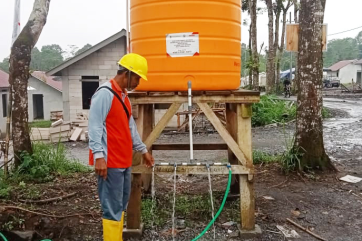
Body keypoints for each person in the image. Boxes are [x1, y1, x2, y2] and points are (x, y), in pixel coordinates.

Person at [88, 53, 155, 241]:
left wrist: (143, 150)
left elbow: (130, 128)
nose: (139, 83)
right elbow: (94, 126)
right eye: (138, 78)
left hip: (123, 161)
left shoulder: (123, 96)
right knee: (112, 207)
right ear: (127, 73)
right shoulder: (104, 94)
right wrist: (99, 157)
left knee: (120, 205)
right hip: (110, 162)